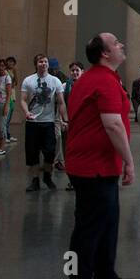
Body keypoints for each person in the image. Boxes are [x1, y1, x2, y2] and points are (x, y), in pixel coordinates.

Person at [64, 33, 136, 279]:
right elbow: (113, 124)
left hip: (101, 165)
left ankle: (106, 275)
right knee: (88, 228)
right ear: (105, 53)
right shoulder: (102, 80)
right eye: (117, 43)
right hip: (91, 166)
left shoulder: (103, 77)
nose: (122, 44)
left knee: (107, 222)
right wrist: (129, 160)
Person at [21, 53, 67, 192]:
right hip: (33, 122)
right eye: (41, 61)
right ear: (36, 64)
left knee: (49, 152)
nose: (44, 64)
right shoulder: (28, 80)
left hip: (48, 122)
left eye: (45, 61)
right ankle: (35, 180)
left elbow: (61, 102)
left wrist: (64, 119)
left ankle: (47, 176)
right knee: (33, 152)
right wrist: (26, 113)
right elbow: (23, 99)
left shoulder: (55, 81)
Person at [62, 61, 83, 191]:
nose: (75, 72)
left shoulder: (87, 85)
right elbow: (61, 104)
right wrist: (63, 120)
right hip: (68, 123)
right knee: (68, 153)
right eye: (73, 70)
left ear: (82, 72)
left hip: (82, 125)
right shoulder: (65, 86)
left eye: (77, 70)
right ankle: (72, 180)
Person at [3, 56, 18, 143]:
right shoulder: (5, 72)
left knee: (9, 118)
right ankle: (5, 136)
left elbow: (15, 82)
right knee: (6, 118)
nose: (11, 63)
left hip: (12, 97)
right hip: (7, 97)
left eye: (12, 62)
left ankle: (7, 134)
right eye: (9, 62)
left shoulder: (13, 72)